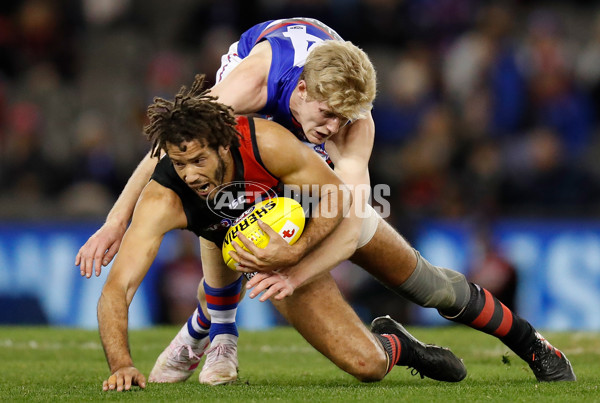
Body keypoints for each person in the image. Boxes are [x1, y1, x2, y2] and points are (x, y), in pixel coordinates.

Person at [81, 17, 574, 385]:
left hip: (319, 195)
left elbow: (351, 211)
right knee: (218, 195)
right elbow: (169, 147)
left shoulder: (355, 125)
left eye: (346, 117)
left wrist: (294, 268)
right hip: (260, 183)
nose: (333, 127)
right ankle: (218, 332)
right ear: (298, 88)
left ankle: (530, 343)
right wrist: (114, 222)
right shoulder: (247, 89)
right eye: (327, 113)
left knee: (431, 287)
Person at [98, 76, 467, 391]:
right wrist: (121, 365)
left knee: (410, 303)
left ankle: (207, 328)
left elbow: (338, 195)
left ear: (224, 146)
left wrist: (296, 251)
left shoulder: (266, 143)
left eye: (199, 161)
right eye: (180, 164)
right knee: (368, 364)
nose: (190, 175)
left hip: (302, 229)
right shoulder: (163, 198)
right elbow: (118, 288)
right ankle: (394, 346)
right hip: (256, 250)